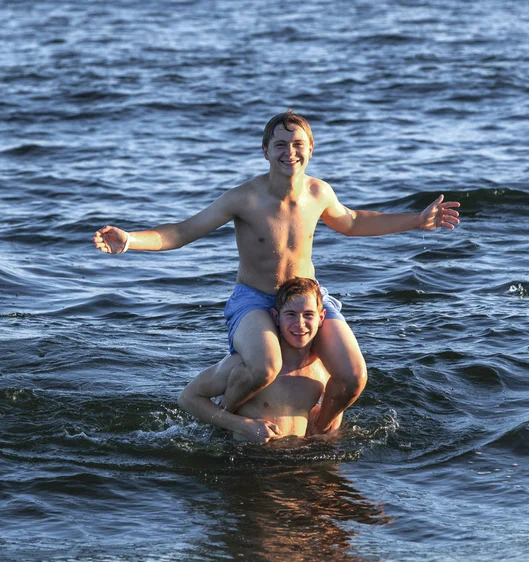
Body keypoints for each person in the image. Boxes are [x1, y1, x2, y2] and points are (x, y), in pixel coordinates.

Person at [93, 110, 460, 434]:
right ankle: (226, 418)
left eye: (298, 143)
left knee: (354, 376)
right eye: (280, 144)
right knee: (266, 366)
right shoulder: (244, 197)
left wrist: (415, 220)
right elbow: (182, 231)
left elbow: (352, 223)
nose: (290, 152)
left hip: (307, 298)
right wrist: (129, 240)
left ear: (311, 148)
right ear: (265, 150)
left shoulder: (319, 192)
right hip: (255, 299)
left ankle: (319, 428)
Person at [178, 277, 342, 443]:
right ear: (277, 318)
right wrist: (243, 425)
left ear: (321, 318)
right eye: (291, 314)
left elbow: (334, 412)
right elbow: (188, 398)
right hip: (249, 458)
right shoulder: (251, 366)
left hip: (298, 460)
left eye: (308, 315)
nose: (300, 324)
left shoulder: (323, 370)